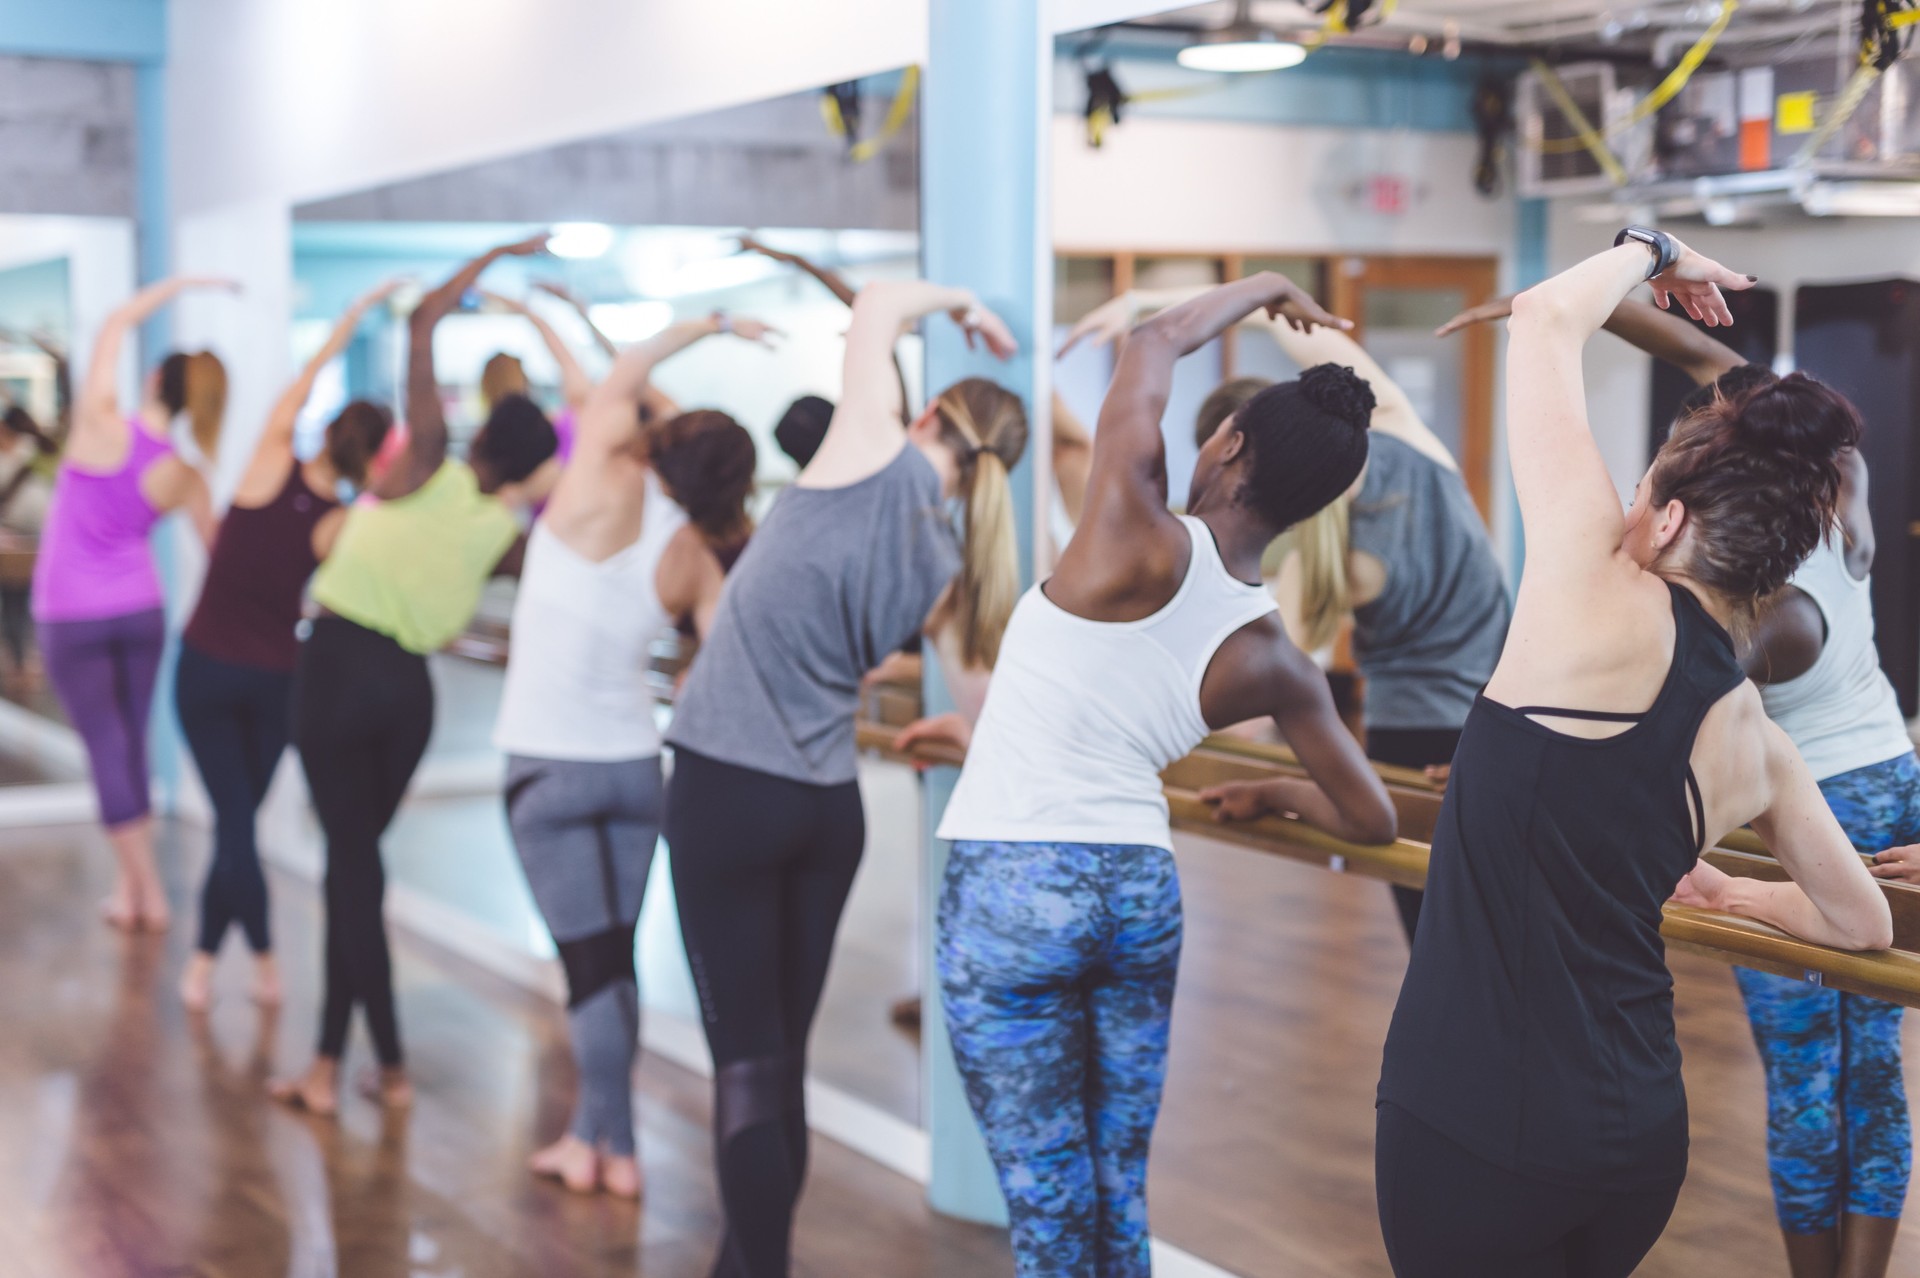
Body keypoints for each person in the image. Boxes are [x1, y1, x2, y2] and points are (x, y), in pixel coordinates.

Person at [1373, 229, 1895, 1278]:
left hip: (1474, 1126)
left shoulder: (1585, 587)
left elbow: (1547, 315)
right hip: (1636, 1144)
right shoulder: (1761, 742)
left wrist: (1654, 249)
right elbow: (1861, 923)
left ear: (1661, 520)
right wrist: (1742, 900)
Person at [936, 273, 1397, 1277]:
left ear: (1227, 445)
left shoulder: (1126, 525)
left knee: (1049, 1206)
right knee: (1116, 1188)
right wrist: (1274, 791)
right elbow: (1367, 817)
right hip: (1138, 893)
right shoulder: (1274, 653)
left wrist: (1272, 288)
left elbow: (1155, 338)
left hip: (1017, 888)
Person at [663, 279, 1026, 1277]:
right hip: (825, 811)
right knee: (781, 1071)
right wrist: (951, 726)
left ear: (921, 418)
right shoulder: (954, 556)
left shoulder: (861, 458)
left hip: (727, 794)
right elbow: (986, 712)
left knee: (748, 1069)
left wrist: (963, 310)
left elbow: (877, 303)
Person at [1064, 290, 1511, 944]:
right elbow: (1305, 327)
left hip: (1414, 744)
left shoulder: (1318, 569)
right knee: (1501, 935)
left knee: (1442, 948)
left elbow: (1253, 695)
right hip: (1504, 726)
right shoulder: (1405, 437)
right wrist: (1147, 301)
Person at [269, 234, 558, 1117]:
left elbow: (427, 320)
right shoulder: (509, 537)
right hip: (409, 699)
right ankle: (357, 1066)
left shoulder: (424, 464)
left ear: (481, 434)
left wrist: (498, 255)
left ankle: (360, 1070)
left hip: (338, 670)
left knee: (350, 870)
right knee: (355, 869)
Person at [495, 310, 773, 1199]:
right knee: (613, 960)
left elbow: (618, 380)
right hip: (632, 771)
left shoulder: (589, 491)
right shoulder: (695, 549)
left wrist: (709, 326)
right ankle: (605, 1142)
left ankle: (601, 1142)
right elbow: (729, 655)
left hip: (545, 770)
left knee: (591, 968)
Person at [174, 281, 399, 1013]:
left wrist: (352, 320)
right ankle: (254, 959)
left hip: (222, 673)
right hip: (265, 681)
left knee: (235, 828)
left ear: (328, 427)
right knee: (238, 824)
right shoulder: (342, 521)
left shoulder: (269, 462)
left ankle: (212, 961)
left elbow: (299, 385)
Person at [33, 276, 236, 931]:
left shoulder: (98, 425)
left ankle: (148, 893)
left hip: (72, 615)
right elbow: (223, 558)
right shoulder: (184, 472)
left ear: (153, 381)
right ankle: (131, 889)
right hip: (141, 612)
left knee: (104, 748)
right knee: (130, 750)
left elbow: (117, 320)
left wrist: (182, 285)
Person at [0, 402, 58, 694]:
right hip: (34, 539)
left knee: (15, 601)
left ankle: (20, 661)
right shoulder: (41, 453)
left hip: (21, 541)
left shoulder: (30, 455)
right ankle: (24, 660)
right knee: (23, 601)